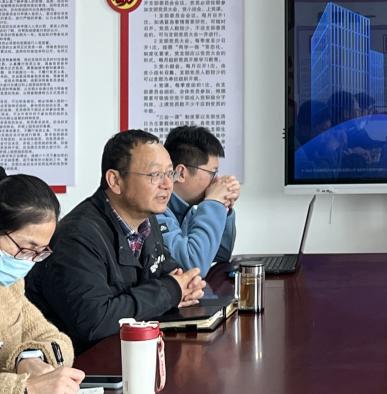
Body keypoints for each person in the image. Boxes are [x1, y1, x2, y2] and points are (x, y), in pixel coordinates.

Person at [26, 130, 206, 354]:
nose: (167, 184)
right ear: (115, 181)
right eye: (155, 174)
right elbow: (95, 321)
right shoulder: (77, 237)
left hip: (127, 352)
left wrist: (186, 285)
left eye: (170, 173)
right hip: (79, 364)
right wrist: (171, 291)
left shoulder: (146, 220)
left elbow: (167, 271)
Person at [0, 167, 86, 394]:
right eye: (25, 248)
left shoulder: (10, 285)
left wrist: (27, 358)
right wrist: (26, 387)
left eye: (39, 252)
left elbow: (58, 341)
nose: (28, 261)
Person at [157, 125, 240, 278]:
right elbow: (193, 265)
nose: (216, 180)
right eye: (212, 173)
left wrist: (223, 207)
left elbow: (220, 254)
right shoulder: (155, 212)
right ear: (181, 173)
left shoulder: (187, 210)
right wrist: (213, 203)